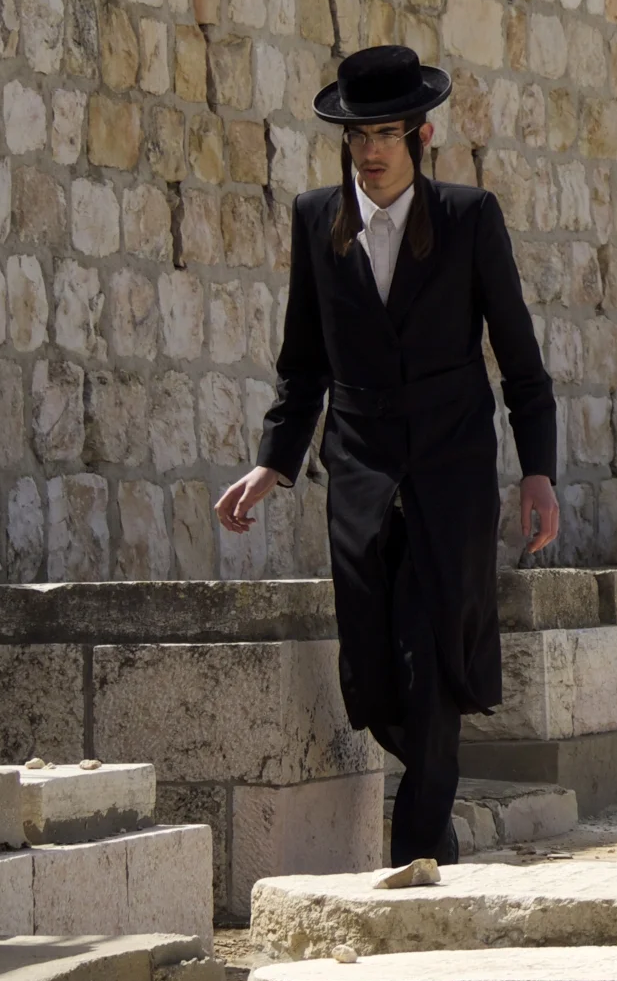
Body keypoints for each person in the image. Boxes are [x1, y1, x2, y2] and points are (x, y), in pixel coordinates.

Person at [215, 44, 559, 868]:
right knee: (372, 679)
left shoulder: (471, 219)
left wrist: (538, 472)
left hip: (452, 467)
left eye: (386, 134)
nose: (370, 151)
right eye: (358, 135)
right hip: (361, 467)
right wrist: (273, 461)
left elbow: (519, 358)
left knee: (433, 657)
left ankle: (414, 857)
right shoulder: (315, 219)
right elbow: (304, 361)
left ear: (421, 136)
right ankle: (436, 828)